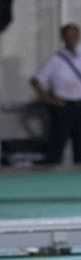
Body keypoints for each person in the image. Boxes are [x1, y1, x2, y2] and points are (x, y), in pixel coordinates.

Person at [30, 23, 81, 164]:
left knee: (79, 148)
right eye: (68, 35)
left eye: (74, 35)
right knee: (57, 147)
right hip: (63, 107)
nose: (72, 38)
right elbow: (35, 81)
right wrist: (48, 99)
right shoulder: (56, 60)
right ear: (63, 38)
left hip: (79, 106)